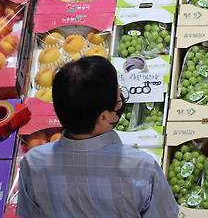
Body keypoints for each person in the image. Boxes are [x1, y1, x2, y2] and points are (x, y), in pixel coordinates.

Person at [17, 56, 179, 218]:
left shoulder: (33, 164)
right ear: (104, 117)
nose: (121, 100)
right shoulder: (141, 168)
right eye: (118, 97)